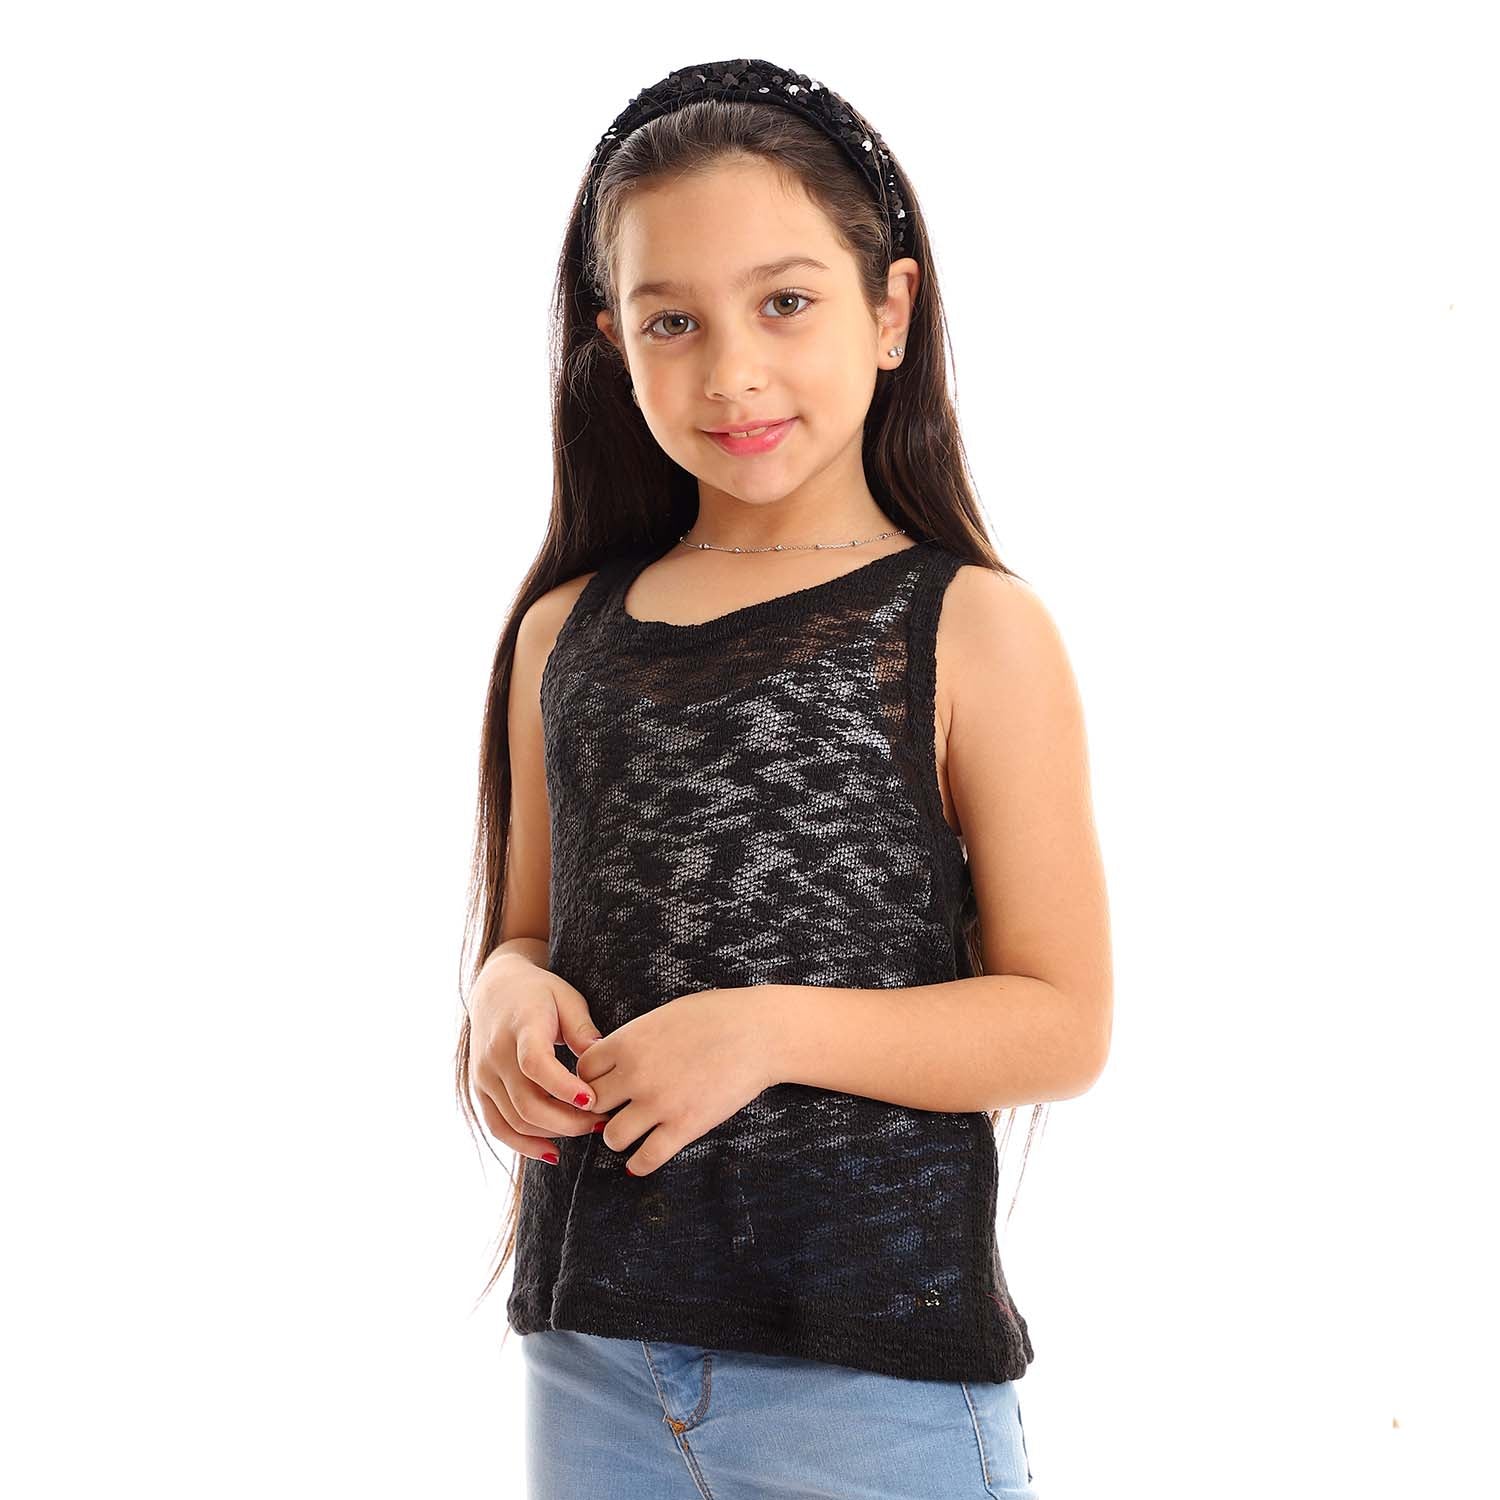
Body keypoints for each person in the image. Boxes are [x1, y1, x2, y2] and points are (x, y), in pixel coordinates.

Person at [455, 57, 1112, 1499]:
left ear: (892, 311)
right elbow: (529, 930)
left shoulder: (969, 627)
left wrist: (763, 1032)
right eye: (671, 320)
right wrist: (502, 995)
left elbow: (1061, 1021)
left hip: (870, 1381)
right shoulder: (565, 633)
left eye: (786, 303)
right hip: (593, 1359)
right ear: (610, 341)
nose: (732, 372)